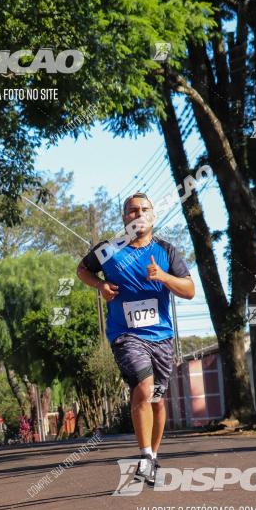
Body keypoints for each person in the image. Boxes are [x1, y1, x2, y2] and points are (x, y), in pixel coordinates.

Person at [77, 191, 195, 485]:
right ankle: (143, 454)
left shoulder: (166, 251)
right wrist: (100, 285)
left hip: (161, 336)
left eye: (144, 209)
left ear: (152, 216)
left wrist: (164, 277)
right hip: (125, 334)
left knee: (157, 398)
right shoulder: (109, 249)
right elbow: (82, 269)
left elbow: (190, 290)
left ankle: (152, 457)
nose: (138, 214)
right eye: (132, 210)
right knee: (143, 387)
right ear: (124, 217)